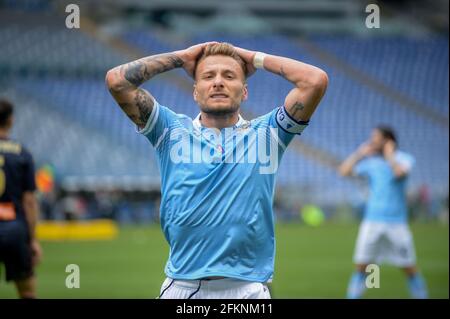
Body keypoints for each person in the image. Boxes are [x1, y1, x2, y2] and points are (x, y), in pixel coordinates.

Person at [106, 42, 328, 299]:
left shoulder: (268, 134)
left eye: (229, 76)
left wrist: (253, 57)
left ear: (244, 92)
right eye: (208, 76)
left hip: (248, 292)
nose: (218, 82)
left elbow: (315, 80)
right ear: (195, 92)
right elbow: (116, 81)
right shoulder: (169, 131)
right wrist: (183, 57)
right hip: (183, 288)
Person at [338, 126, 428, 299]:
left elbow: (399, 173)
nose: (372, 141)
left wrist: (389, 155)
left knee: (409, 267)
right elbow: (343, 171)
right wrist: (359, 154)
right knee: (361, 266)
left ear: (388, 140)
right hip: (372, 221)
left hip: (397, 223)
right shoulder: (372, 163)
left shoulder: (404, 159)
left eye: (376, 137)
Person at [0, 99, 42, 298]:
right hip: (13, 228)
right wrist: (32, 239)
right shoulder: (22, 153)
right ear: (11, 120)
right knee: (27, 292)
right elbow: (30, 202)